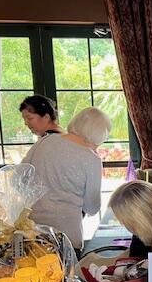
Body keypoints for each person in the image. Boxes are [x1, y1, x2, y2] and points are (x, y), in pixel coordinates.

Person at [22, 107, 110, 257]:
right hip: (66, 236)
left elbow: (18, 179)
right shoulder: (91, 159)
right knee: (65, 272)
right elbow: (92, 207)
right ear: (98, 135)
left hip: (33, 232)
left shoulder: (44, 142)